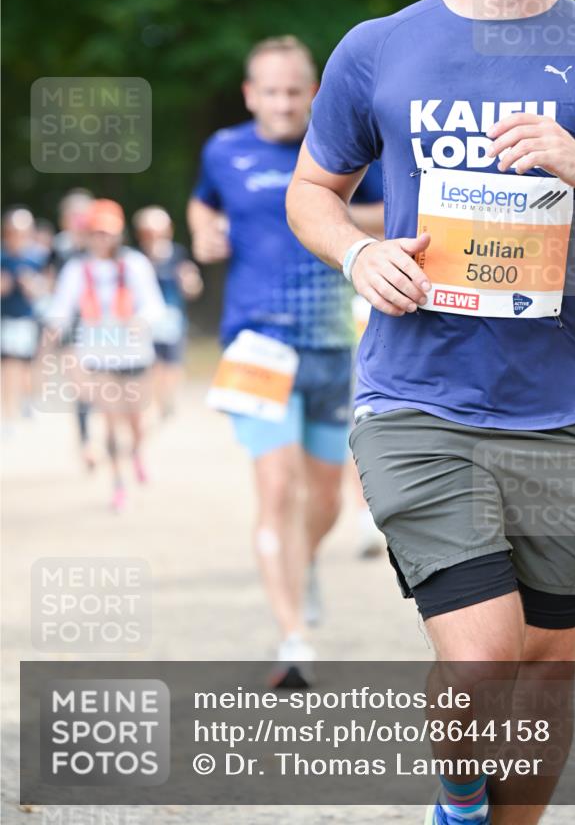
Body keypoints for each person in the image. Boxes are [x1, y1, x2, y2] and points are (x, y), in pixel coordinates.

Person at [285, 0, 575, 822]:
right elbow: (313, 191)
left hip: (558, 408)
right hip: (416, 401)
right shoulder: (378, 48)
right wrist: (356, 254)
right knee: (485, 659)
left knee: (543, 675)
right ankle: (458, 799)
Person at [188, 36, 383, 685]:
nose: (282, 103)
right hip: (256, 344)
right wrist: (202, 232)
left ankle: (304, 566)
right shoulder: (224, 150)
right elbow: (203, 201)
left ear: (314, 94)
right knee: (276, 488)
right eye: (270, 92)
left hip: (333, 342)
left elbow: (395, 212)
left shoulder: (346, 148)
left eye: (294, 91)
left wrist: (331, 211)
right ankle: (293, 638)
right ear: (250, 95)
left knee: (324, 498)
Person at [47, 199, 166, 511]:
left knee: (137, 420)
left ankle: (137, 451)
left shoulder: (135, 264)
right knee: (111, 421)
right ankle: (119, 483)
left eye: (107, 233)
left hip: (134, 354)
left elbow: (154, 305)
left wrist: (142, 321)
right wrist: (53, 332)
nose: (102, 239)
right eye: (97, 232)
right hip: (98, 355)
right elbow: (61, 307)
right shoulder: (77, 269)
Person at [133, 206, 203, 418]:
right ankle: (157, 401)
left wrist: (190, 282)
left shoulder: (178, 253)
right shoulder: (137, 258)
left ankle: (167, 399)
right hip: (146, 318)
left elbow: (191, 284)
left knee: (173, 363)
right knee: (152, 362)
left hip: (173, 317)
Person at [51, 189, 96, 466]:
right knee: (81, 386)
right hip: (69, 325)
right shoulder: (59, 248)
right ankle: (86, 441)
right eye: (73, 216)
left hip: (101, 325)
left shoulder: (101, 245)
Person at [1, 208, 50, 428]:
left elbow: (46, 289)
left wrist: (32, 284)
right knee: (8, 367)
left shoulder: (37, 258)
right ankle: (8, 414)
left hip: (29, 321)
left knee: (28, 366)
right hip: (5, 320)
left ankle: (27, 400)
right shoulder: (2, 257)